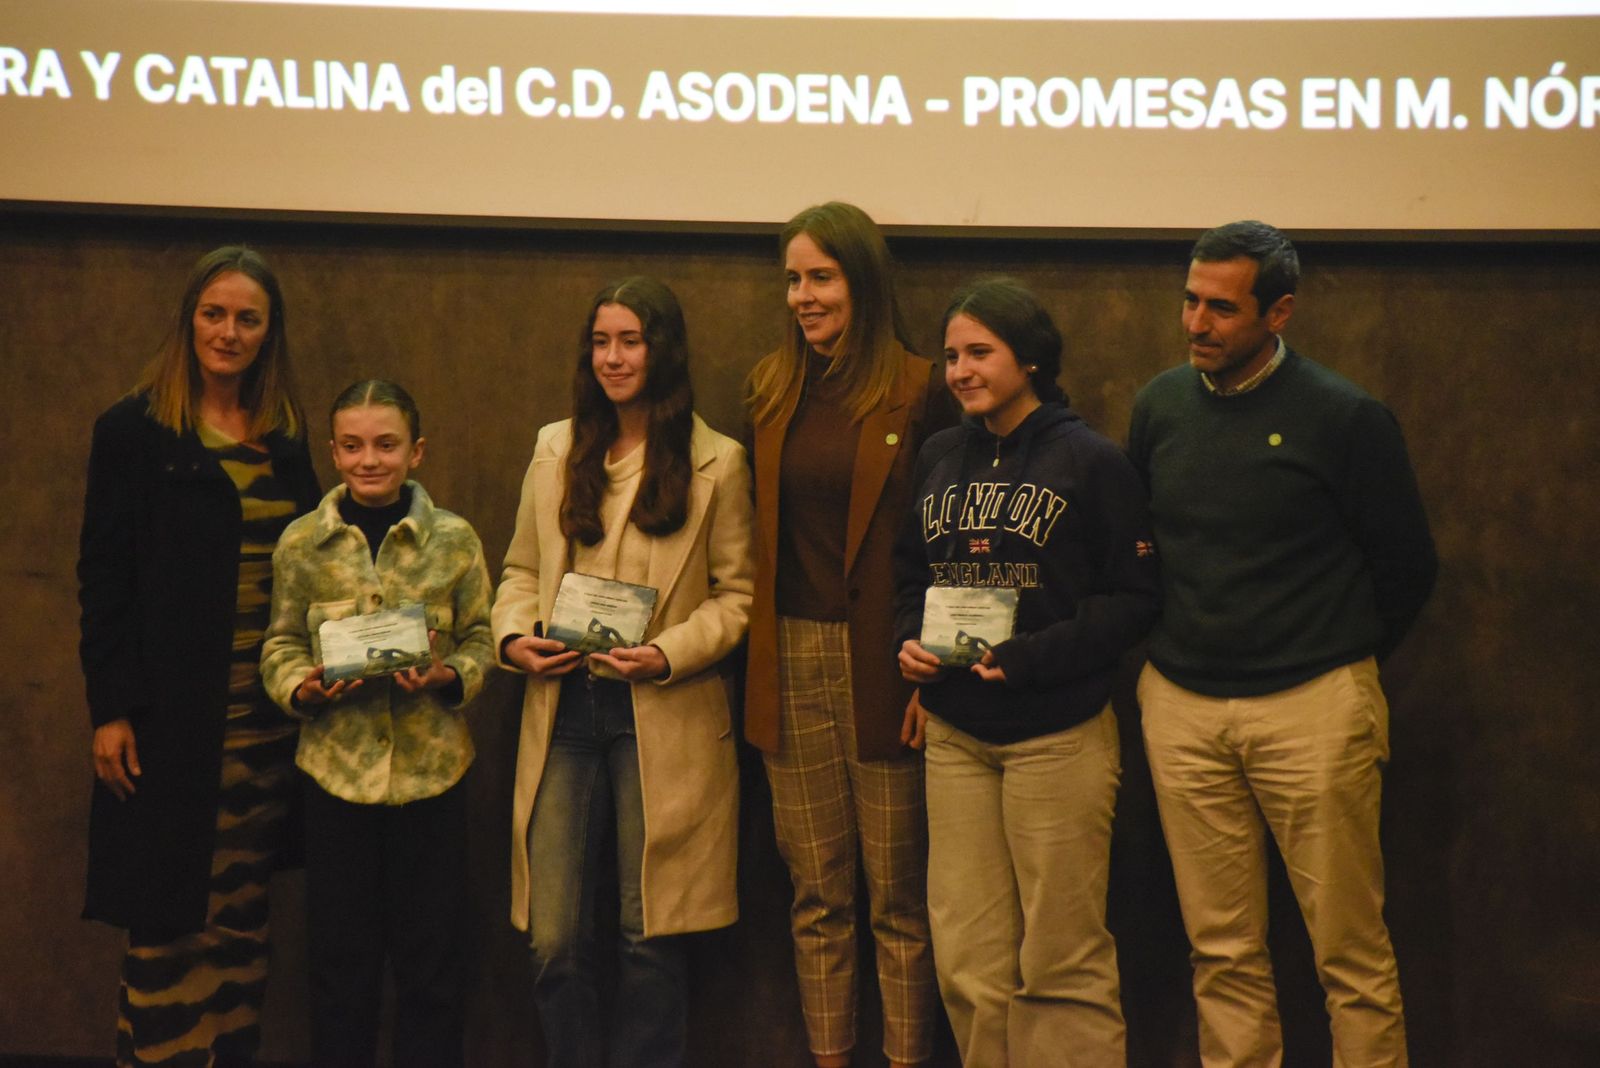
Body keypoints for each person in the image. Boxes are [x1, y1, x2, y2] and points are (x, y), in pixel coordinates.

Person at [1127, 221, 1437, 1068]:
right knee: (1221, 951)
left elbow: (1407, 566)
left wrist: (1327, 651)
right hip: (1184, 709)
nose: (1196, 323)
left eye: (1221, 308)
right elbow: (1142, 545)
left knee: (1350, 954)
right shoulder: (1160, 406)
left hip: (1314, 707)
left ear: (1280, 312)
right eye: (1190, 300)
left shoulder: (1345, 417)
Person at [894, 278, 1160, 1066]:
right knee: (968, 962)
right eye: (951, 356)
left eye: (980, 352)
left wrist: (1027, 660)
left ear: (1031, 360)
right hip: (956, 738)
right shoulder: (939, 455)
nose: (960, 371)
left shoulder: (1092, 460)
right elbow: (910, 578)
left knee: (1060, 961)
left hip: (1057, 736)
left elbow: (1135, 599)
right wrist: (910, 642)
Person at [493, 276, 754, 1067]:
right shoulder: (555, 447)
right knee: (555, 940)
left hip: (661, 715)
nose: (612, 358)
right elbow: (519, 572)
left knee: (651, 938)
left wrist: (669, 652)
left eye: (630, 342)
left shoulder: (718, 462)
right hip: (565, 710)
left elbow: (737, 597)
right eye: (601, 342)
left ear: (661, 350)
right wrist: (515, 636)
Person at [78, 245, 321, 1065]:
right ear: (189, 321)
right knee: (168, 927)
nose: (229, 332)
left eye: (248, 319)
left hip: (264, 729)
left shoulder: (286, 441)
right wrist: (111, 709)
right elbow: (104, 581)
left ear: (269, 332)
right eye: (214, 314)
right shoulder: (134, 432)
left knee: (242, 922)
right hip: (170, 729)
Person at [744, 201, 947, 1068]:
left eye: (821, 277)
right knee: (817, 896)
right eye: (793, 279)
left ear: (862, 283)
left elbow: (944, 544)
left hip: (884, 665)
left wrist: (931, 678)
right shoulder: (769, 388)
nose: (803, 296)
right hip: (788, 662)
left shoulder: (923, 387)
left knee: (900, 900)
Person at [260, 380, 495, 1066]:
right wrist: (301, 686)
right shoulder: (301, 545)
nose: (370, 460)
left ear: (416, 452)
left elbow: (482, 638)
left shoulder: (454, 540)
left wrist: (451, 676)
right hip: (335, 782)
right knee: (341, 971)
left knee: (433, 971)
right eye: (354, 446)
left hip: (433, 781)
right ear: (334, 453)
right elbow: (280, 643)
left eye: (387, 445)